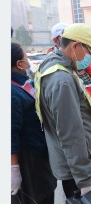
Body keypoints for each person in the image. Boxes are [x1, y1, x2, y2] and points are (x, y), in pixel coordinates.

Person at [34, 23, 91, 199]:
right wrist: (85, 179)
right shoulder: (62, 80)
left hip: (71, 163)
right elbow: (71, 135)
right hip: (78, 170)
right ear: (76, 46)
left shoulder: (52, 65)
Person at [11, 42, 57, 204]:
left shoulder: (23, 82)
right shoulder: (11, 92)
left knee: (46, 192)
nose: (28, 61)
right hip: (28, 159)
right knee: (38, 197)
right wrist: (13, 167)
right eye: (25, 57)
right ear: (19, 64)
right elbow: (11, 133)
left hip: (38, 151)